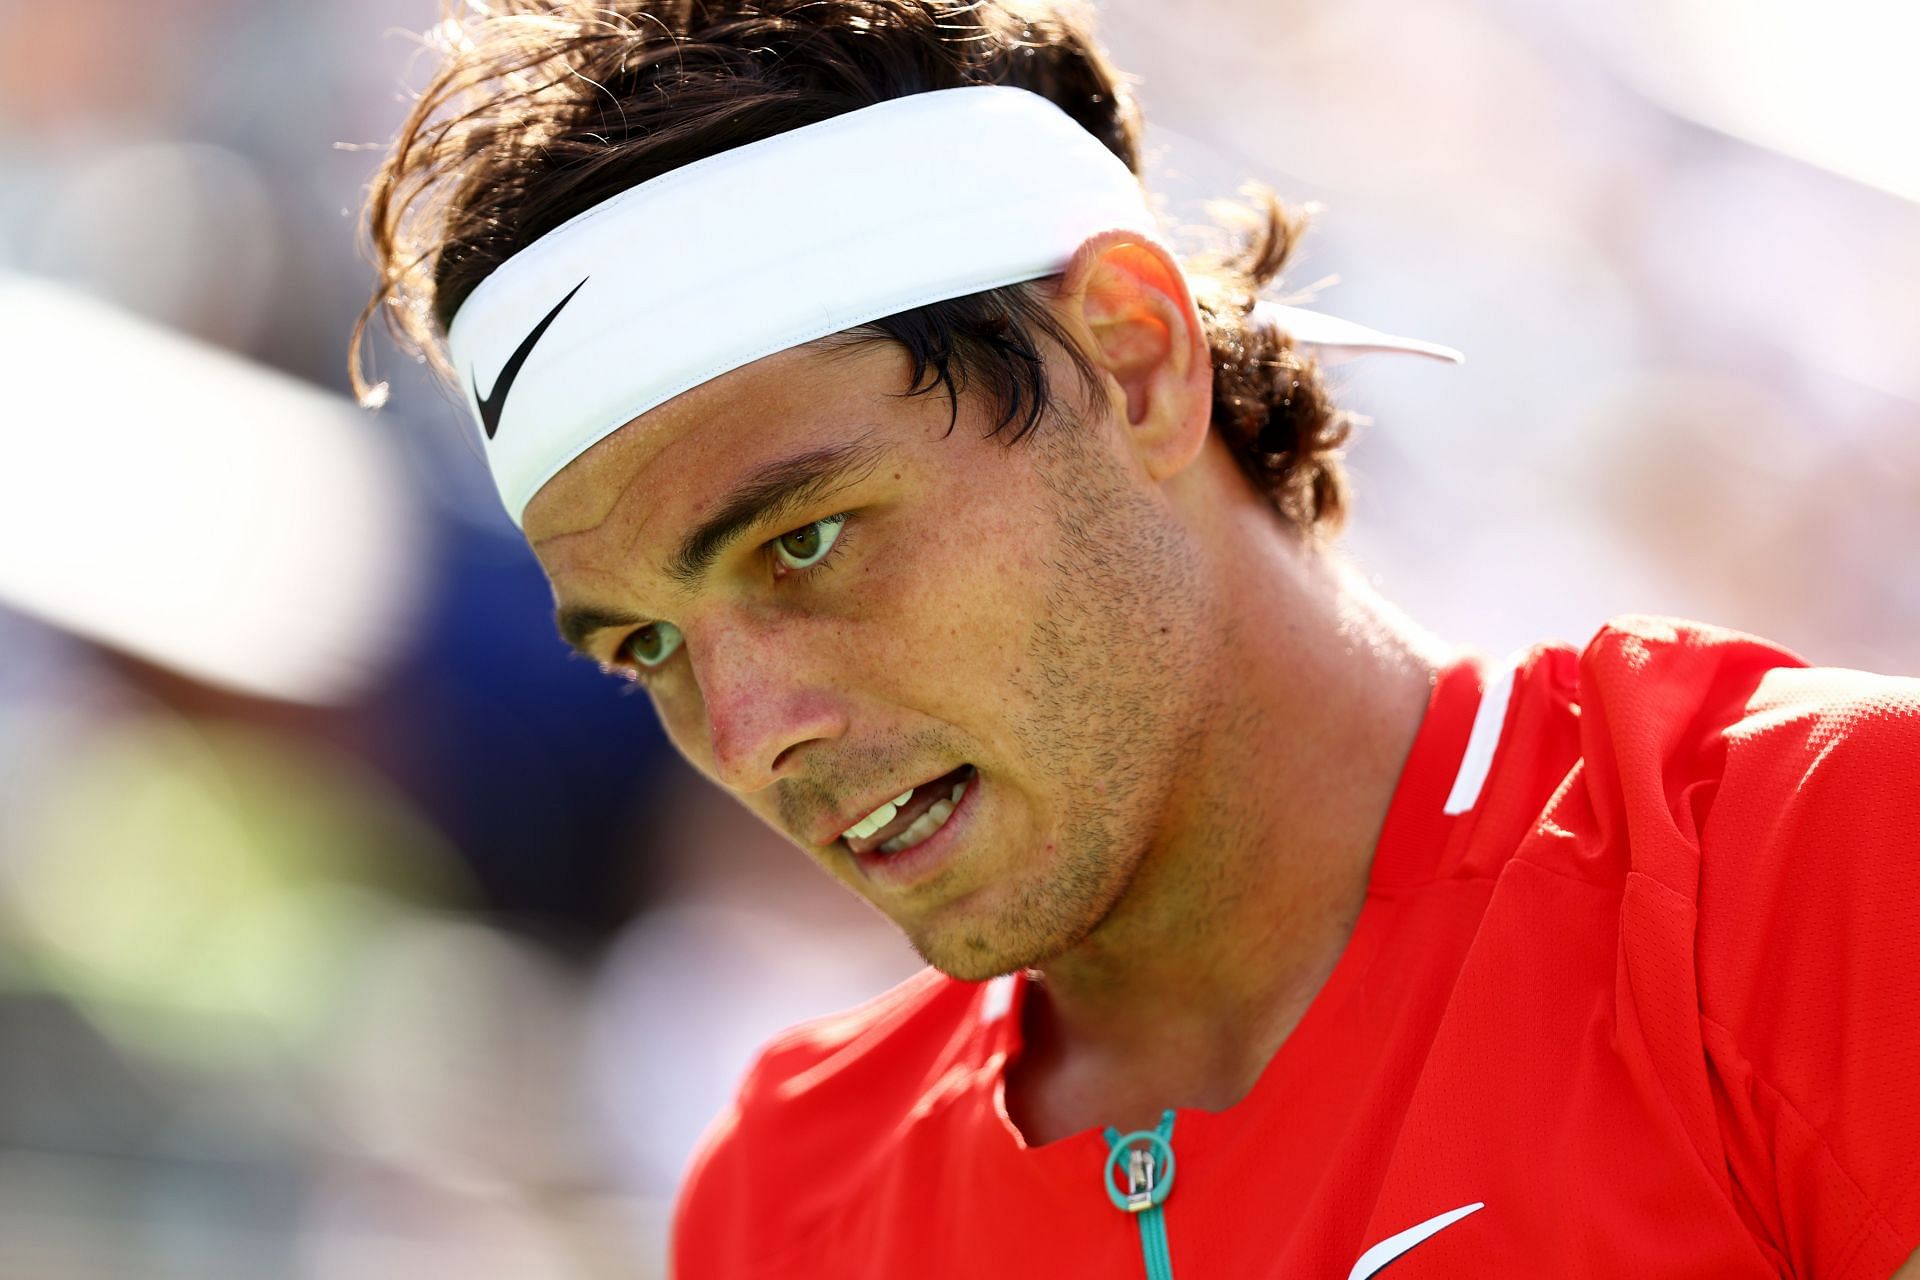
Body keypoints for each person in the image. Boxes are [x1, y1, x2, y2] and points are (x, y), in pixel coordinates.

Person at [352, 2, 1920, 1275]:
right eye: (645, 647)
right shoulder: (787, 1199)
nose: (752, 733)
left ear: (1137, 357)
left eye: (803, 541)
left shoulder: (1826, 860)